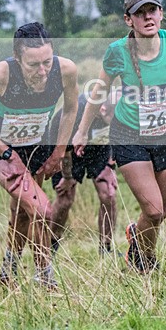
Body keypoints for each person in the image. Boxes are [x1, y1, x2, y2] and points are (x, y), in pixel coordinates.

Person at [73, 0, 166, 274]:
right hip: (129, 136)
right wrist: (82, 131)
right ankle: (144, 263)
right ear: (128, 20)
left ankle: (141, 255)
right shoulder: (118, 51)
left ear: (161, 13)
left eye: (153, 10)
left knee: (162, 212)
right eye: (140, 13)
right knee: (154, 210)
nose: (148, 17)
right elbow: (98, 93)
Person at [0, 23, 79, 289]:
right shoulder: (0, 74)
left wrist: (58, 152)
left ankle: (8, 269)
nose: (42, 72)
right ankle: (45, 278)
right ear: (17, 58)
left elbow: (71, 110)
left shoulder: (66, 70)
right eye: (33, 65)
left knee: (23, 211)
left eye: (46, 62)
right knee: (42, 210)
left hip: (36, 147)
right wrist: (7, 153)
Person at [48, 90, 120, 256]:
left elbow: (119, 136)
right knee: (65, 199)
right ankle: (50, 247)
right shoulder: (75, 113)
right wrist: (67, 177)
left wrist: (110, 165)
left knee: (108, 194)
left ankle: (106, 249)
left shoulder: (117, 108)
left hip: (98, 146)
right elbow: (63, 151)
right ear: (102, 110)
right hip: (65, 150)